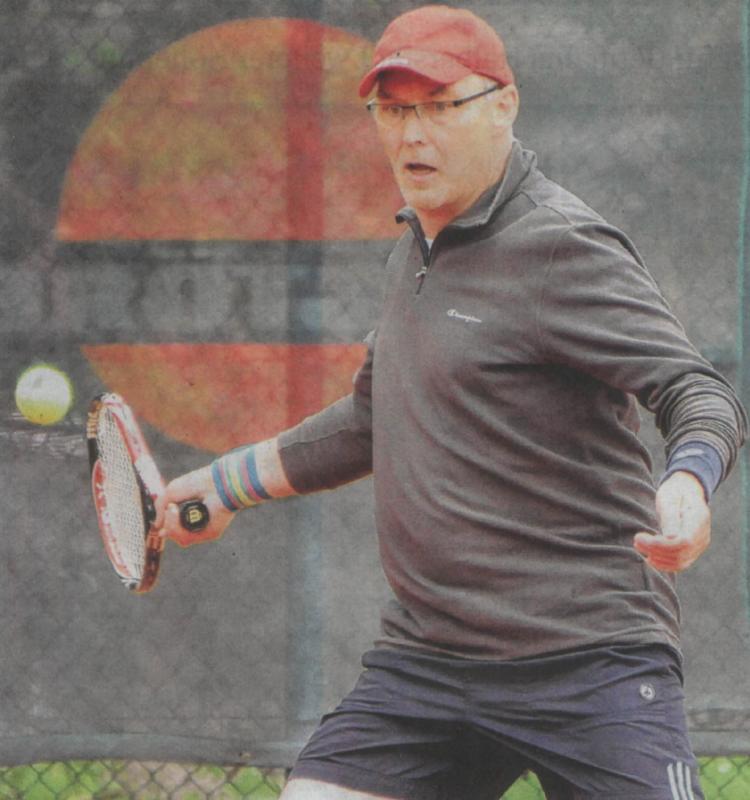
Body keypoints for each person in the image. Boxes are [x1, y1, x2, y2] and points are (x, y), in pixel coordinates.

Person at [158, 5, 747, 799]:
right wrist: (224, 486)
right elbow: (372, 420)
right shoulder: (415, 251)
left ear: (504, 105)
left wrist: (688, 481)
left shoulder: (562, 245)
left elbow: (695, 388)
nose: (412, 134)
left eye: (439, 107)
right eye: (393, 111)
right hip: (430, 664)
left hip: (588, 659)